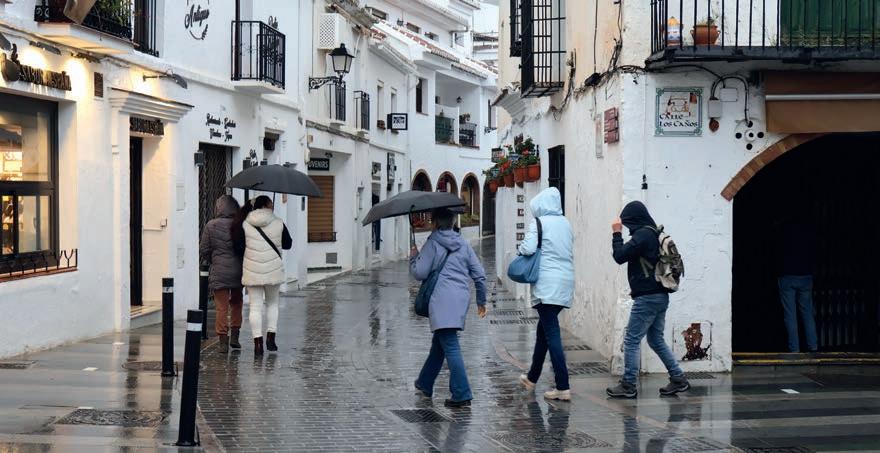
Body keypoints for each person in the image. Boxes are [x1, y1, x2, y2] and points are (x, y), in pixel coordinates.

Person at [606, 201, 689, 398]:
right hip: (659, 296)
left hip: (647, 298)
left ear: (634, 220)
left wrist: (616, 233)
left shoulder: (643, 235)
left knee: (631, 340)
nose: (628, 228)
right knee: (655, 339)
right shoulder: (652, 233)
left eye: (628, 223)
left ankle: (628, 385)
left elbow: (619, 256)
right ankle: (678, 379)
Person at [411, 208, 488, 408]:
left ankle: (462, 393)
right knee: (440, 342)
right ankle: (425, 382)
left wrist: (414, 257)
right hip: (460, 299)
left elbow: (419, 272)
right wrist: (481, 301)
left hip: (441, 300)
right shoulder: (463, 243)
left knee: (450, 344)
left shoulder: (432, 242)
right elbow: (479, 275)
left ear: (435, 222)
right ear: (453, 222)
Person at [516, 187, 575, 401]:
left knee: (552, 334)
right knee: (544, 331)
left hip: (547, 284)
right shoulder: (566, 223)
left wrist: (520, 249)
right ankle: (532, 377)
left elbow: (528, 248)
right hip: (565, 282)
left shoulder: (539, 223)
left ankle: (563, 386)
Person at [235, 195, 292, 356]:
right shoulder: (279, 222)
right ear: (267, 205)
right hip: (273, 270)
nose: (273, 206)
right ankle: (271, 338)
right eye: (271, 203)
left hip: (252, 270)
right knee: (272, 304)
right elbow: (288, 244)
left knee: (255, 307)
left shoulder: (246, 223)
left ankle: (258, 344)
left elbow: (239, 246)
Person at [199, 195, 244, 353]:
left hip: (219, 271)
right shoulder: (240, 225)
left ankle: (223, 341)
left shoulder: (211, 225)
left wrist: (214, 260)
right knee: (237, 303)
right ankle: (235, 337)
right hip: (238, 271)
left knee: (221, 307)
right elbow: (245, 247)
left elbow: (204, 249)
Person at [776, 215, 818, 353]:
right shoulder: (808, 229)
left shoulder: (782, 229)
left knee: (790, 315)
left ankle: (794, 350)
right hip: (805, 275)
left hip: (787, 275)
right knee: (807, 313)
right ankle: (813, 346)